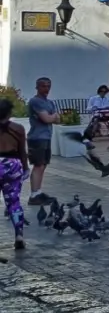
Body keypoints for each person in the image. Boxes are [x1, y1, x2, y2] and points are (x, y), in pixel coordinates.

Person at [0, 98, 29, 250]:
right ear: (10, 112)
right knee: (13, 202)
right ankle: (19, 235)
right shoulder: (18, 128)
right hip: (12, 165)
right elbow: (22, 151)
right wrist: (25, 168)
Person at [25, 77, 58, 205]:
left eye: (48, 86)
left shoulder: (50, 103)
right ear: (37, 87)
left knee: (43, 165)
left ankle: (38, 192)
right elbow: (47, 119)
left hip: (46, 137)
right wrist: (52, 117)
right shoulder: (35, 101)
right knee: (38, 165)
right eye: (43, 86)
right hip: (37, 138)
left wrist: (52, 117)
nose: (46, 89)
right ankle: (34, 195)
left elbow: (57, 119)